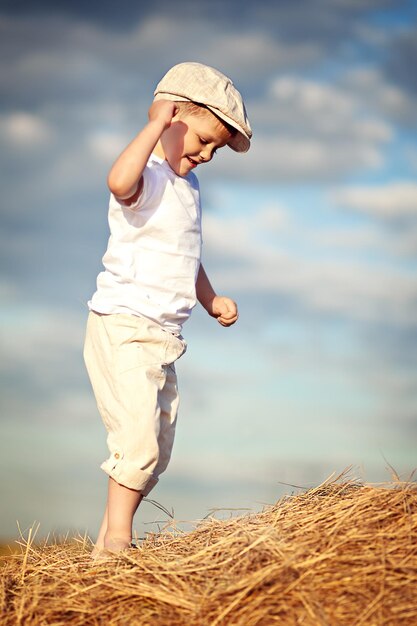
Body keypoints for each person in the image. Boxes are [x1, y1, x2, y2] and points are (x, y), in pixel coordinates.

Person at [83, 62, 252, 558]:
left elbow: (187, 258)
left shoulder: (189, 190)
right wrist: (154, 125)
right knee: (137, 445)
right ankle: (119, 542)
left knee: (154, 456)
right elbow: (118, 181)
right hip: (125, 326)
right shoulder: (149, 176)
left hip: (164, 340)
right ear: (170, 114)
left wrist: (211, 297)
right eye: (202, 139)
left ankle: (103, 545)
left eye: (216, 149)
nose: (206, 154)